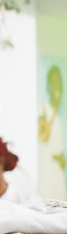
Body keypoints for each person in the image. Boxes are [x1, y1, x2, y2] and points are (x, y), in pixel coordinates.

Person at [38, 65, 67, 200]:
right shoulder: (43, 110)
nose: (57, 87)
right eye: (54, 83)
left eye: (59, 83)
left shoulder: (59, 116)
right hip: (47, 169)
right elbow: (42, 139)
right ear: (48, 86)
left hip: (57, 171)